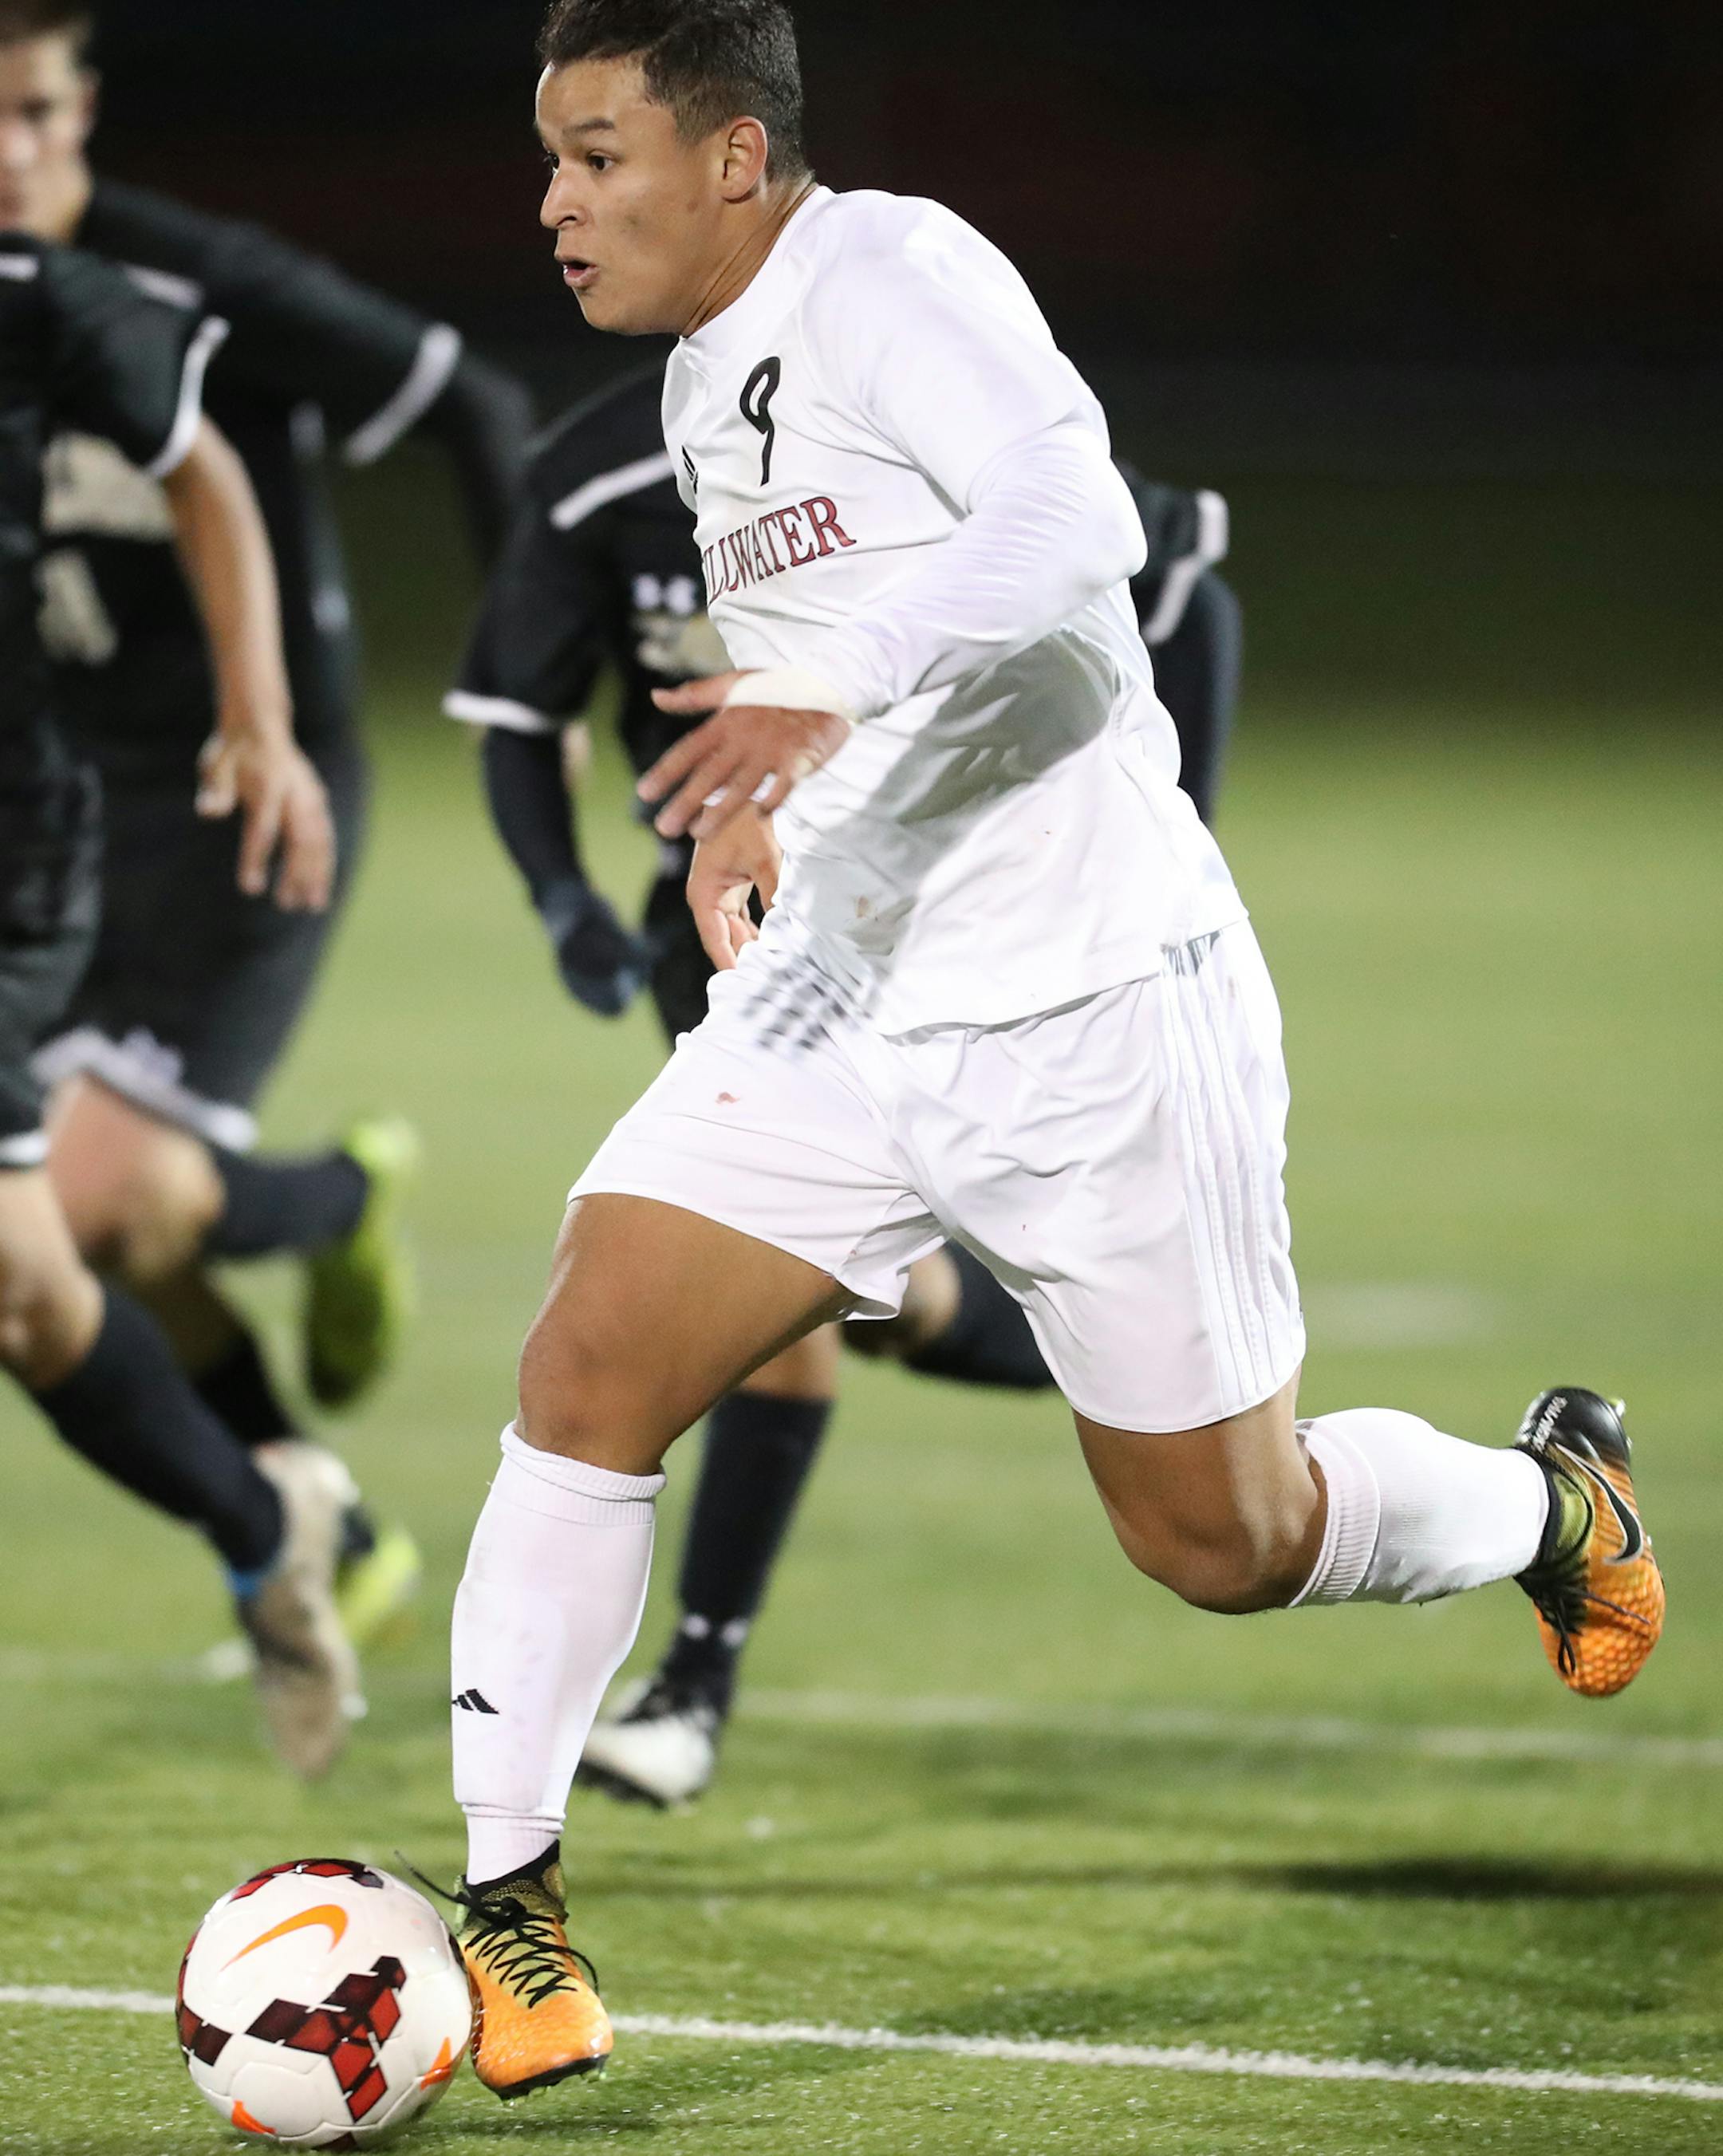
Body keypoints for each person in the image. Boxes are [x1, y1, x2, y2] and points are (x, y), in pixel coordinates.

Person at [444, 0, 1663, 2101]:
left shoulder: (894, 271)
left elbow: (1071, 517)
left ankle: (1556, 1505)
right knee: (585, 1365)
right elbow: (845, 626)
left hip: (1095, 1006)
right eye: (546, 157)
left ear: (733, 157)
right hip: (842, 996)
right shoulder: (698, 363)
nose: (553, 201)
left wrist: (831, 709)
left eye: (596, 154)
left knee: (1226, 1541)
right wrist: (766, 799)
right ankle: (508, 1901)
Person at [450, 357, 1240, 1807]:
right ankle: (683, 1693)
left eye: (608, 162)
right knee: (696, 1317)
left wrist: (1168, 830)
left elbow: (1172, 560)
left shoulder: (891, 401)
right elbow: (515, 712)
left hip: (997, 927)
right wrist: (560, 894)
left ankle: (1189, 1405)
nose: (572, 205)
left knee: (935, 1329)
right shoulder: (597, 472)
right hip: (759, 922)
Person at [0, 0, 535, 1651]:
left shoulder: (195, 285)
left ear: (87, 114)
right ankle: (338, 1528)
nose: (9, 155)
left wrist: (527, 680)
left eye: (36, 114)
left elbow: (479, 403)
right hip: (66, 810)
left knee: (83, 1209)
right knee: (128, 1225)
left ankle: (331, 1203)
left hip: (250, 784)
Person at [1, 227, 359, 1779]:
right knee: (29, 1280)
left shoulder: (47, 301)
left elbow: (204, 469)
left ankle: (333, 1217)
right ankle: (261, 1513)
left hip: (23, 827)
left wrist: (262, 720)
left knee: (66, 1246)